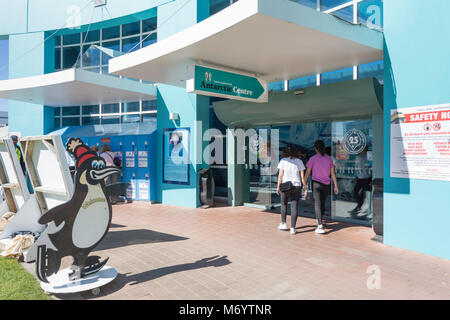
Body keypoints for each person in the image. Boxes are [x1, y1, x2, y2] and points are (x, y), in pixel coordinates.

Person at [304, 140, 339, 234]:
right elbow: (332, 173)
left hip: (316, 184)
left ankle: (320, 225)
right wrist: (335, 185)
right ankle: (320, 219)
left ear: (315, 148)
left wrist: (304, 183)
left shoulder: (312, 158)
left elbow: (307, 172)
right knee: (322, 203)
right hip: (326, 185)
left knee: (317, 203)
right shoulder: (329, 159)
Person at [276, 145, 307, 235]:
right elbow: (302, 177)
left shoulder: (283, 161)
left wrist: (278, 186)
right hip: (297, 186)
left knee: (283, 204)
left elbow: (280, 175)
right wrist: (304, 187)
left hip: (285, 185)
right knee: (294, 206)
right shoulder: (299, 161)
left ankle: (283, 224)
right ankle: (293, 228)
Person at [349, 147, 372, 218]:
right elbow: (357, 166)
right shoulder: (358, 156)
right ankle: (360, 205)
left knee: (366, 193)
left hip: (367, 177)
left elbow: (370, 166)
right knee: (356, 191)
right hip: (360, 177)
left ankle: (365, 208)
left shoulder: (368, 156)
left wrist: (371, 178)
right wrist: (356, 176)